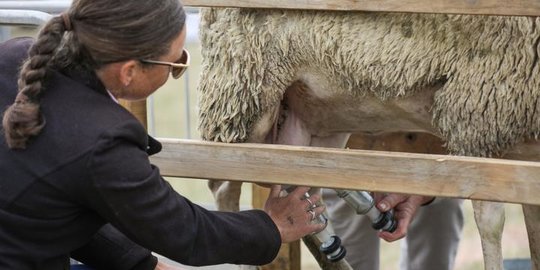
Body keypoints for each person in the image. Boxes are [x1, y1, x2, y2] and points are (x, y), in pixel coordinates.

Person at [0, 0, 327, 269]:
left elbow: (48, 204)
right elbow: (186, 232)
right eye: (176, 63)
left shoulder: (15, 57)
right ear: (129, 71)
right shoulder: (104, 139)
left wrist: (139, 264)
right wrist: (271, 226)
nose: (177, 70)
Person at [322, 132, 464, 269]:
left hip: (434, 148)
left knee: (435, 244)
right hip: (349, 149)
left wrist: (430, 189)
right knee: (352, 259)